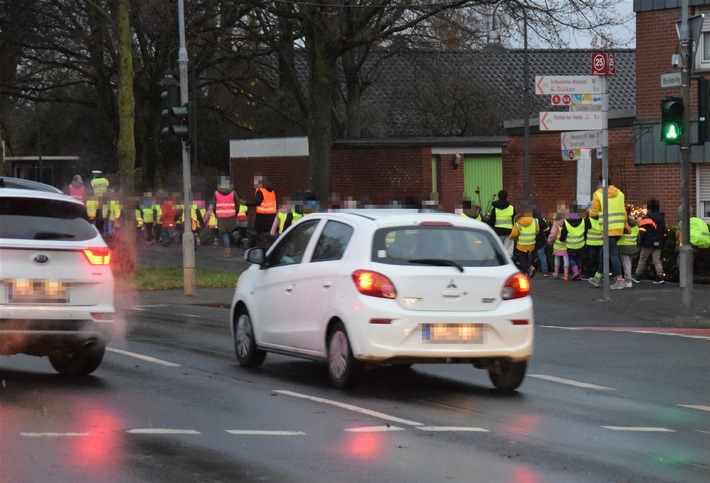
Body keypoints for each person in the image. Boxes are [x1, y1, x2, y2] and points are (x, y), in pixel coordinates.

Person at [588, 177, 629, 290]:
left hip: (608, 228)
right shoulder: (620, 194)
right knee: (603, 251)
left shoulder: (598, 194)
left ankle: (620, 280)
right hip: (618, 228)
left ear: (600, 182)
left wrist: (590, 211)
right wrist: (626, 226)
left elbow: (594, 213)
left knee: (613, 254)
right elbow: (624, 211)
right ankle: (598, 277)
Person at [635, 199, 667, 283]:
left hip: (647, 242)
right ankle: (660, 276)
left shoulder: (646, 218)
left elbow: (642, 231)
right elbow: (664, 231)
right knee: (656, 260)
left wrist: (640, 242)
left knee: (643, 259)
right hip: (658, 242)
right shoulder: (662, 218)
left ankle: (638, 276)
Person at [241, 176, 277, 248]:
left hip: (262, 215)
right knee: (271, 232)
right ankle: (274, 247)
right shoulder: (271, 191)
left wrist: (245, 203)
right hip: (272, 214)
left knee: (256, 231)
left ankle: (251, 247)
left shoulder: (260, 190)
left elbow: (257, 202)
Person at [213, 177, 240, 258]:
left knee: (224, 233)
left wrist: (216, 214)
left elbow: (214, 206)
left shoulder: (216, 193)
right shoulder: (233, 193)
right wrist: (236, 212)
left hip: (221, 216)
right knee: (229, 232)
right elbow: (237, 203)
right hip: (231, 215)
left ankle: (227, 252)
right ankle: (228, 250)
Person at [509, 203, 538, 277]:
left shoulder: (518, 222)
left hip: (521, 244)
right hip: (531, 243)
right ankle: (531, 268)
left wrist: (510, 237)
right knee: (527, 257)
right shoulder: (535, 221)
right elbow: (537, 230)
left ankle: (525, 272)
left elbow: (514, 234)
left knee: (523, 258)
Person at [560, 205, 586, 280]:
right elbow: (585, 232)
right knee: (578, 258)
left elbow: (564, 232)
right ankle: (579, 273)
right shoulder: (583, 220)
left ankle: (575, 272)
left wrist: (562, 239)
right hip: (581, 244)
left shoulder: (566, 221)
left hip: (571, 244)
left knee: (571, 258)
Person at [487, 190, 515, 256]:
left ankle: (499, 263)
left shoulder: (495, 209)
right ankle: (507, 263)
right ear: (507, 197)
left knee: (498, 249)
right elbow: (515, 221)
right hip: (509, 232)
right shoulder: (512, 208)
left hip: (498, 232)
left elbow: (491, 222)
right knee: (508, 250)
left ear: (498, 197)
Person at [617, 208, 640, 288]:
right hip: (633, 247)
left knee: (626, 265)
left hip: (623, 247)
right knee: (629, 264)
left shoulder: (624, 227)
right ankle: (628, 279)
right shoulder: (636, 227)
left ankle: (628, 281)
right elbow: (638, 239)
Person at [582, 203, 603, 280]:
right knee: (599, 259)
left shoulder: (588, 219)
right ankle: (599, 274)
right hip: (600, 242)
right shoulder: (602, 218)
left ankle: (590, 274)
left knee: (590, 259)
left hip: (591, 243)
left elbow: (585, 231)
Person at [548, 213, 569, 280]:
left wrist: (550, 241)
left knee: (557, 258)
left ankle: (556, 273)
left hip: (557, 244)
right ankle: (566, 275)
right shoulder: (567, 221)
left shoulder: (555, 223)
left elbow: (553, 234)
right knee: (566, 259)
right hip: (566, 243)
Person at [531, 206, 550, 276]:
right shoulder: (539, 217)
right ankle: (545, 271)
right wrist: (547, 235)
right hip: (539, 238)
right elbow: (546, 228)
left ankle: (528, 269)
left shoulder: (526, 217)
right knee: (541, 254)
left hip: (529, 239)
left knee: (529, 254)